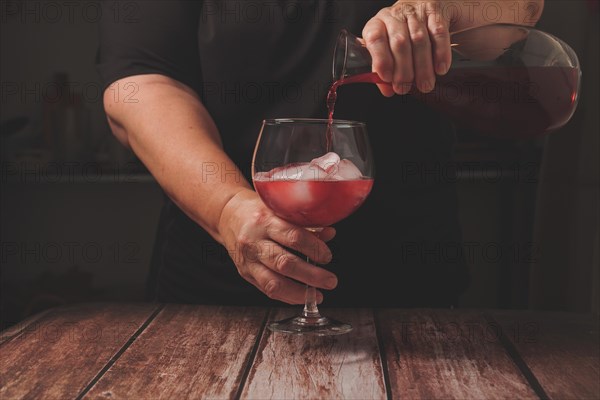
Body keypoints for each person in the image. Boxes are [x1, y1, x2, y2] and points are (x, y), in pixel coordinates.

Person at [97, 0, 544, 307]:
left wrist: (438, 10)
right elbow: (139, 85)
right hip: (214, 294)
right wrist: (227, 208)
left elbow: (518, 10)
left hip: (407, 287)